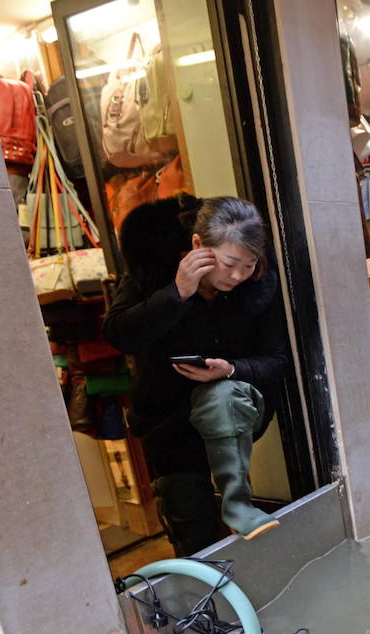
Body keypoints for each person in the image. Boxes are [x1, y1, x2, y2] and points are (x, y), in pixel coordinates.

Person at [103, 195, 290, 554]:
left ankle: (238, 507)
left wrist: (231, 369)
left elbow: (276, 359)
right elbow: (118, 334)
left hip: (230, 413)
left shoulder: (259, 285)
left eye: (248, 265)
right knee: (192, 528)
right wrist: (178, 292)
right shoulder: (155, 271)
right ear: (198, 247)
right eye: (230, 263)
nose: (238, 276)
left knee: (220, 397)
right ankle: (202, 602)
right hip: (168, 419)